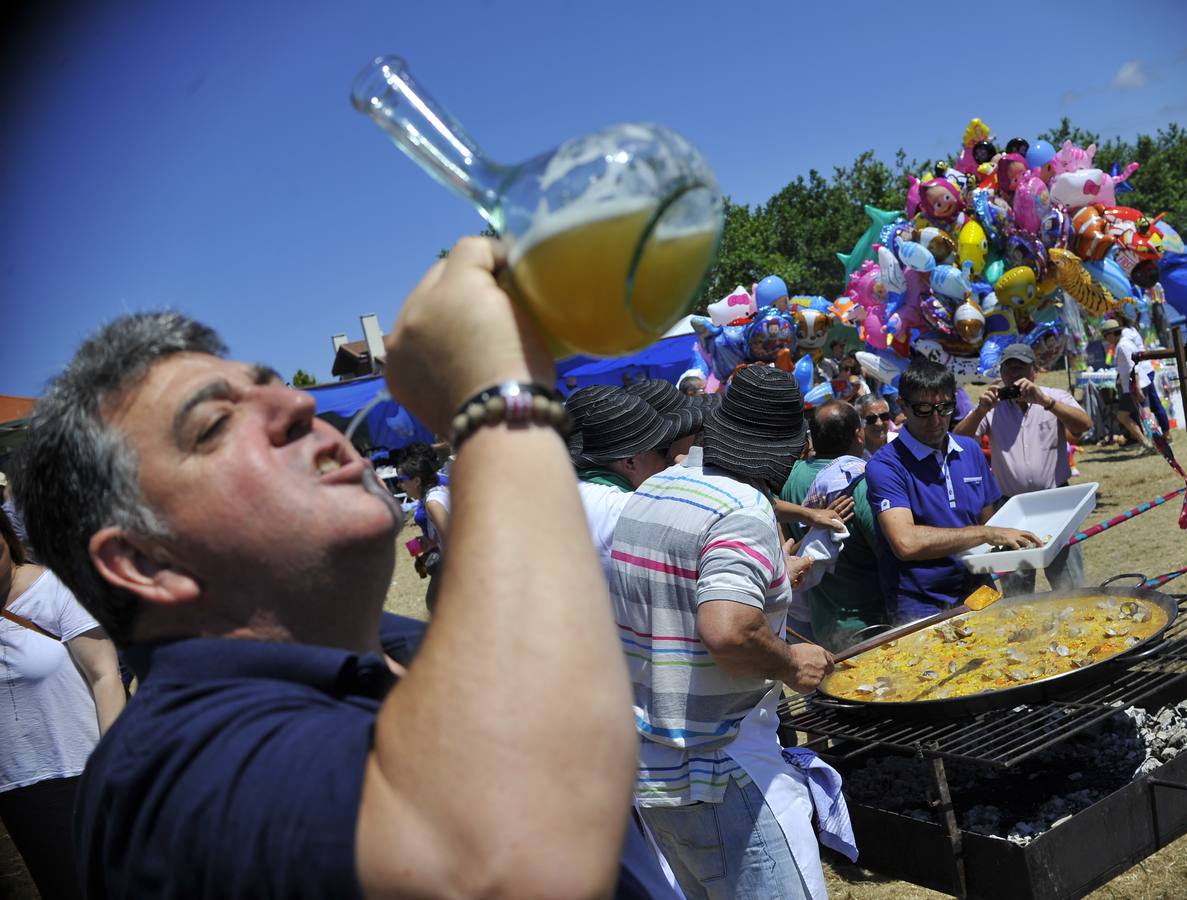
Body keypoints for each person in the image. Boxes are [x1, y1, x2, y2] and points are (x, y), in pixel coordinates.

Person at [14, 238, 638, 899]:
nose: (298, 405)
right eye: (216, 423)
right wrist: (499, 398)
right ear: (146, 560)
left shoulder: (410, 647)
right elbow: (512, 864)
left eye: (269, 386)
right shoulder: (172, 777)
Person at [608, 365, 835, 899]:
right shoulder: (743, 510)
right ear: (786, 449)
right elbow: (728, 630)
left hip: (651, 767)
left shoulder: (655, 486)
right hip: (720, 769)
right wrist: (790, 662)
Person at [1, 505, 125, 900]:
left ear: (7, 537)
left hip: (84, 771)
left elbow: (106, 676)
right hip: (17, 789)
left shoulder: (55, 589)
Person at [866, 360, 1042, 625]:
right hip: (920, 603)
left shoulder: (969, 451)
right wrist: (987, 533)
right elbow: (905, 542)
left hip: (980, 592)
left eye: (945, 408)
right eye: (924, 410)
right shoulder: (885, 465)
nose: (937, 420)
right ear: (902, 407)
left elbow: (990, 523)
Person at [954, 343, 1093, 595]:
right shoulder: (992, 405)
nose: (1015, 375)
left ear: (1034, 372)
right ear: (1002, 373)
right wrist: (981, 409)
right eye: (1009, 369)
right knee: (1017, 590)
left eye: (1021, 368)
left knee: (1069, 582)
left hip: (1056, 502)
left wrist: (1046, 402)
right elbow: (958, 442)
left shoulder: (1053, 396)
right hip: (1011, 507)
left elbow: (1084, 425)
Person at [779, 401, 885, 651]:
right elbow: (888, 552)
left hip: (819, 622)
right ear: (859, 435)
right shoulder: (861, 481)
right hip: (868, 623)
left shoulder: (790, 477)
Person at [567, 385, 682, 580]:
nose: (671, 460)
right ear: (629, 461)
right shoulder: (627, 510)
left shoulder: (567, 489)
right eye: (664, 450)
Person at [396, 443, 450, 609]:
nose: (399, 485)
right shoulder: (431, 497)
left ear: (417, 481)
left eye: (402, 480)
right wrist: (429, 543)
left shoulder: (433, 502)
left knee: (434, 603)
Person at [1102, 317, 1168, 452]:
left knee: (1123, 416)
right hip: (1139, 383)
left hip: (1133, 386)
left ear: (1110, 334)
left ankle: (1147, 443)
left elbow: (1134, 367)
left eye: (1105, 336)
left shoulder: (1123, 346)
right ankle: (1158, 443)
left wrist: (1136, 387)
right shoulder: (1125, 343)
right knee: (1146, 415)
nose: (1105, 340)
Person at [854, 394, 893, 458]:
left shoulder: (901, 443)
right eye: (871, 418)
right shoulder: (853, 453)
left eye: (884, 416)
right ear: (859, 421)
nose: (879, 423)